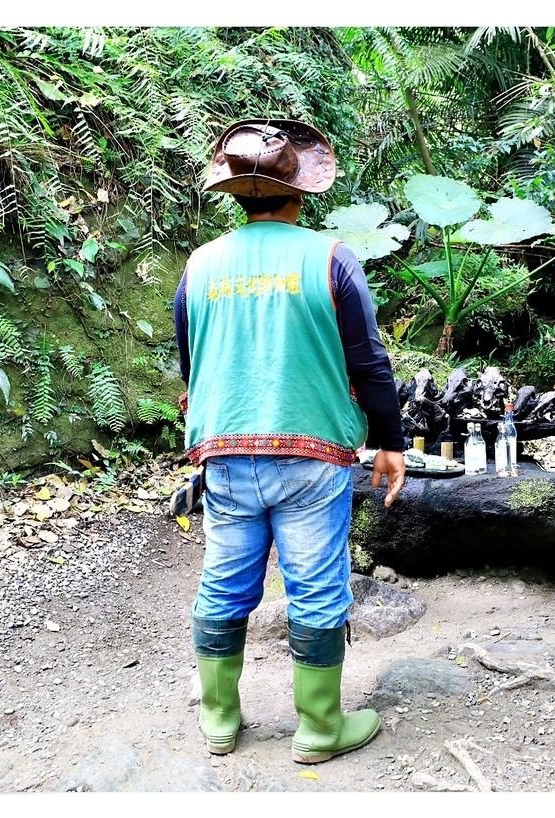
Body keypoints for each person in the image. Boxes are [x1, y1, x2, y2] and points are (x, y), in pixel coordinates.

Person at [172, 118, 407, 764]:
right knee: (316, 588)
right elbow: (370, 364)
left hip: (223, 454)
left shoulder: (200, 266)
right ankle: (319, 727)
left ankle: (221, 722)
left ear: (234, 196)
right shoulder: (330, 260)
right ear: (300, 192)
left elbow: (193, 360)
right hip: (311, 458)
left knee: (223, 586)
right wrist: (390, 442)